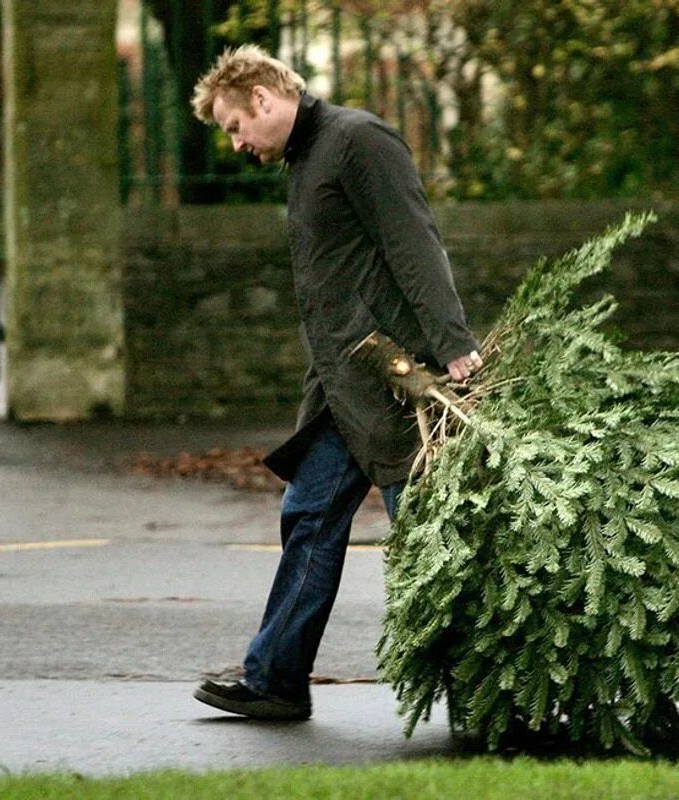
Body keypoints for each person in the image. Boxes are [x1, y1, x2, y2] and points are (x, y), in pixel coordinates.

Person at [188, 45, 482, 720]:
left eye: (235, 125)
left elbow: (414, 241)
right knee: (309, 516)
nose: (236, 143)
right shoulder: (308, 159)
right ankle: (276, 680)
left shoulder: (357, 141)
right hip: (341, 388)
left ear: (262, 98)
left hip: (397, 385)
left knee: (430, 538)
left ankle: (484, 693)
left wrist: (452, 343)